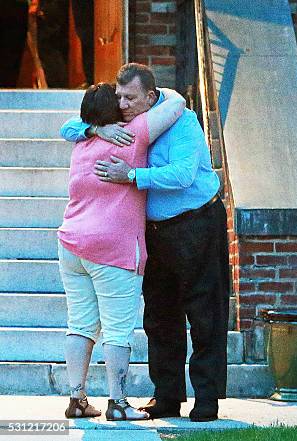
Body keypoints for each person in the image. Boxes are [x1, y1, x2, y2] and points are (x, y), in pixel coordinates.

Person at [59, 63, 229, 422]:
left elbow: (183, 175)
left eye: (130, 97)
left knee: (204, 313)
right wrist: (95, 127)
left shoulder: (180, 121)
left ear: (151, 97)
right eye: (118, 96)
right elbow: (69, 127)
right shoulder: (120, 128)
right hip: (153, 231)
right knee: (159, 315)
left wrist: (132, 175)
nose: (122, 103)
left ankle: (207, 399)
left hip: (195, 222)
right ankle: (166, 396)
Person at [58, 81, 186, 420]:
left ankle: (77, 398)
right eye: (120, 99)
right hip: (113, 249)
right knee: (116, 329)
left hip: (71, 243)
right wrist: (153, 90)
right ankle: (117, 404)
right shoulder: (133, 134)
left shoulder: (83, 140)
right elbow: (177, 103)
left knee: (81, 324)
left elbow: (68, 126)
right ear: (114, 111)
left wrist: (94, 127)